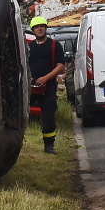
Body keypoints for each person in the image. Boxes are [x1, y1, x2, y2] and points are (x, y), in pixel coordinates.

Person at [26, 16, 65, 154]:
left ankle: (49, 146)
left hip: (48, 88)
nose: (40, 29)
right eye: (37, 27)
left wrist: (45, 78)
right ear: (33, 30)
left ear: (46, 28)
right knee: (22, 115)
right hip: (32, 87)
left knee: (48, 117)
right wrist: (29, 77)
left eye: (42, 26)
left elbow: (60, 67)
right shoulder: (30, 47)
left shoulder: (54, 45)